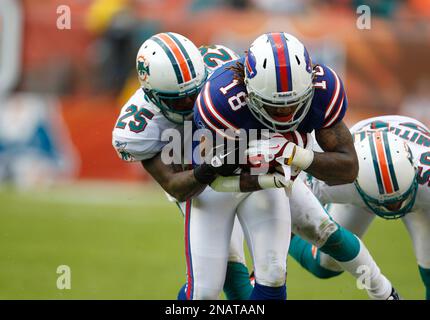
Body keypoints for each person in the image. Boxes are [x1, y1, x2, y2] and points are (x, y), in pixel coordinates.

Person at [195, 32, 400, 299]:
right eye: (274, 107)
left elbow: (348, 168)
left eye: (294, 104)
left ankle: (386, 294)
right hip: (225, 184)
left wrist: (292, 154)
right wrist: (261, 170)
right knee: (212, 282)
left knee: (307, 244)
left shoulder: (323, 89)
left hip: (274, 178)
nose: (285, 114)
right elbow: (211, 177)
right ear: (248, 90)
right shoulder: (221, 102)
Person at [112, 32, 255, 299]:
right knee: (218, 276)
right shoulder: (139, 127)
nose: (192, 104)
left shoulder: (220, 67)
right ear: (153, 96)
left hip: (244, 163)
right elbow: (176, 187)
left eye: (197, 93)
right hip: (196, 181)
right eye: (181, 100)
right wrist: (211, 166)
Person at [289, 115, 430, 299]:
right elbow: (288, 208)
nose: (394, 207)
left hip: (416, 190)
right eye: (385, 203)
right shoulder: (338, 178)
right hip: (367, 178)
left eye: (398, 200)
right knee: (326, 264)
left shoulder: (426, 180)